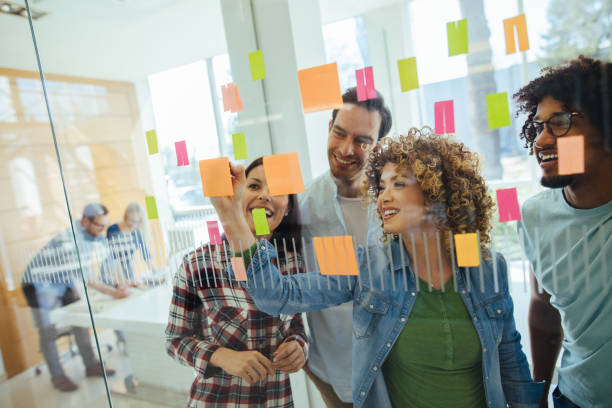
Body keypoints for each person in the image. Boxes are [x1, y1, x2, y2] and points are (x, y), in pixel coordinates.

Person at [212, 129, 544, 408]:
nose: (383, 196)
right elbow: (275, 296)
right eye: (381, 186)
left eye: (398, 184)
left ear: (436, 192)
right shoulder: (368, 266)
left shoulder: (487, 268)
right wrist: (231, 217)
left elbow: (511, 365)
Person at [165, 157, 309, 408]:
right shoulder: (198, 264)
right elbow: (175, 341)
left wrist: (299, 346)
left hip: (277, 401)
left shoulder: (292, 263)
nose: (265, 195)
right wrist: (221, 356)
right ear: (238, 195)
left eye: (277, 190)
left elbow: (296, 326)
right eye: (254, 186)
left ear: (287, 207)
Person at [514, 56, 612, 408]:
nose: (541, 141)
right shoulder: (536, 215)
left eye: (559, 123)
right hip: (574, 399)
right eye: (538, 126)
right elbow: (543, 308)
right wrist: (537, 394)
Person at [297, 86, 392, 407]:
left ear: (379, 146)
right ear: (328, 128)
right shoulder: (302, 207)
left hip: (400, 369)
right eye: (339, 133)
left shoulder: (396, 202)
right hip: (336, 374)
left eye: (362, 141)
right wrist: (313, 370)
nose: (346, 149)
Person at [21, 203, 128, 392]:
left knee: (81, 322)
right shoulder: (70, 238)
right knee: (49, 330)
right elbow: (86, 276)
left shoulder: (93, 233)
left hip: (64, 281)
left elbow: (109, 258)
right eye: (100, 226)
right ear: (85, 221)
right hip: (39, 283)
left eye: (105, 226)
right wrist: (112, 292)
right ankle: (58, 376)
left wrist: (119, 281)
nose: (103, 231)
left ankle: (91, 365)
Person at [106, 202, 152, 283]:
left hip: (128, 271)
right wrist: (122, 279)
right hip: (114, 272)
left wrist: (154, 271)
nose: (134, 224)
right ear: (125, 216)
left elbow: (145, 252)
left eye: (138, 222)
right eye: (131, 220)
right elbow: (112, 256)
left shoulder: (136, 232)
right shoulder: (113, 230)